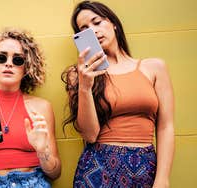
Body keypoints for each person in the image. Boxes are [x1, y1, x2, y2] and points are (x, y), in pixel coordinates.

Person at [62, 1, 174, 187]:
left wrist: (163, 178)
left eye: (97, 22)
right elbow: (89, 135)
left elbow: (166, 127)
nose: (94, 31)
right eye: (85, 29)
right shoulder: (80, 74)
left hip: (145, 165)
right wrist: (84, 86)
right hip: (98, 166)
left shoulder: (154, 67)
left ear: (113, 22)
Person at [0, 28, 61, 187]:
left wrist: (42, 152)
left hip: (34, 182)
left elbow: (55, 173)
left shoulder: (41, 107)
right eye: (1, 57)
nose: (8, 63)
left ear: (27, 67)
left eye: (18, 60)